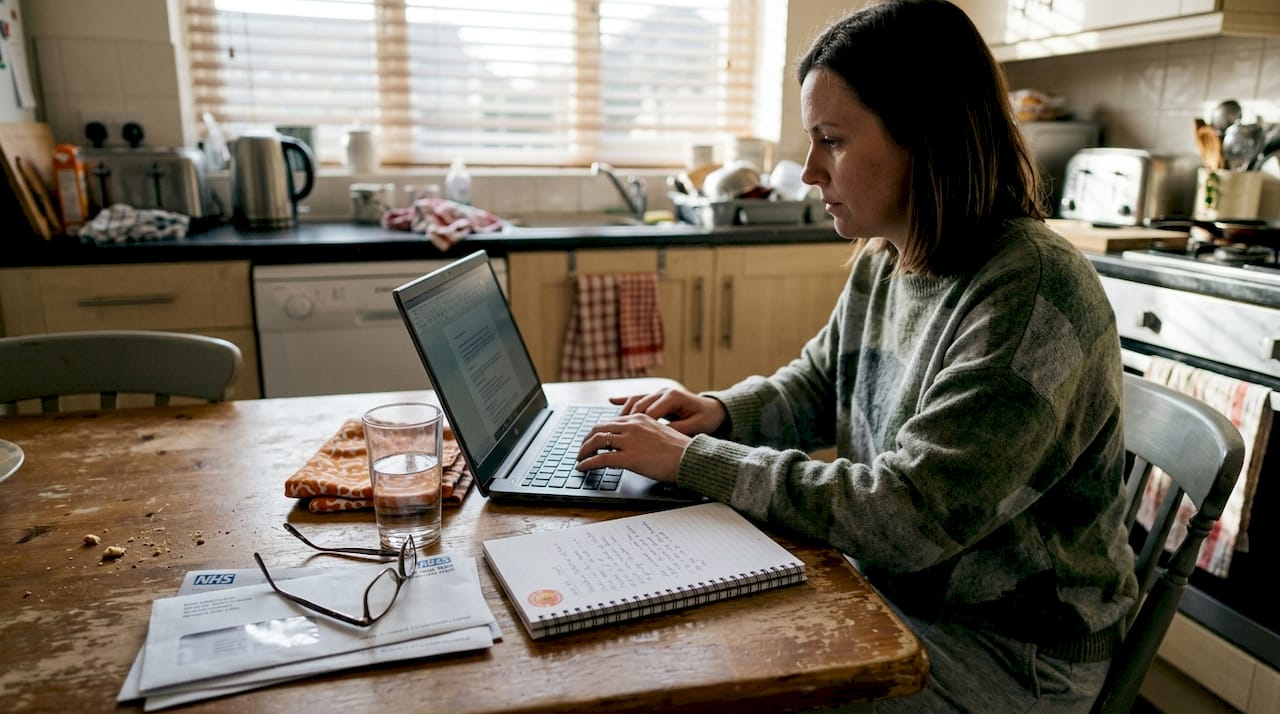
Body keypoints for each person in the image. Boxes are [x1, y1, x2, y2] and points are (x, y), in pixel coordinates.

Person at [574, 1, 1138, 711]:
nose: (808, 170)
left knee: (719, 680)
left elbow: (908, 517)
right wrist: (717, 414)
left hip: (1013, 651)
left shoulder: (1030, 291)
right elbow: (819, 383)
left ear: (925, 138)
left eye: (831, 140)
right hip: (898, 588)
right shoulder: (891, 255)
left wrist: (693, 462)